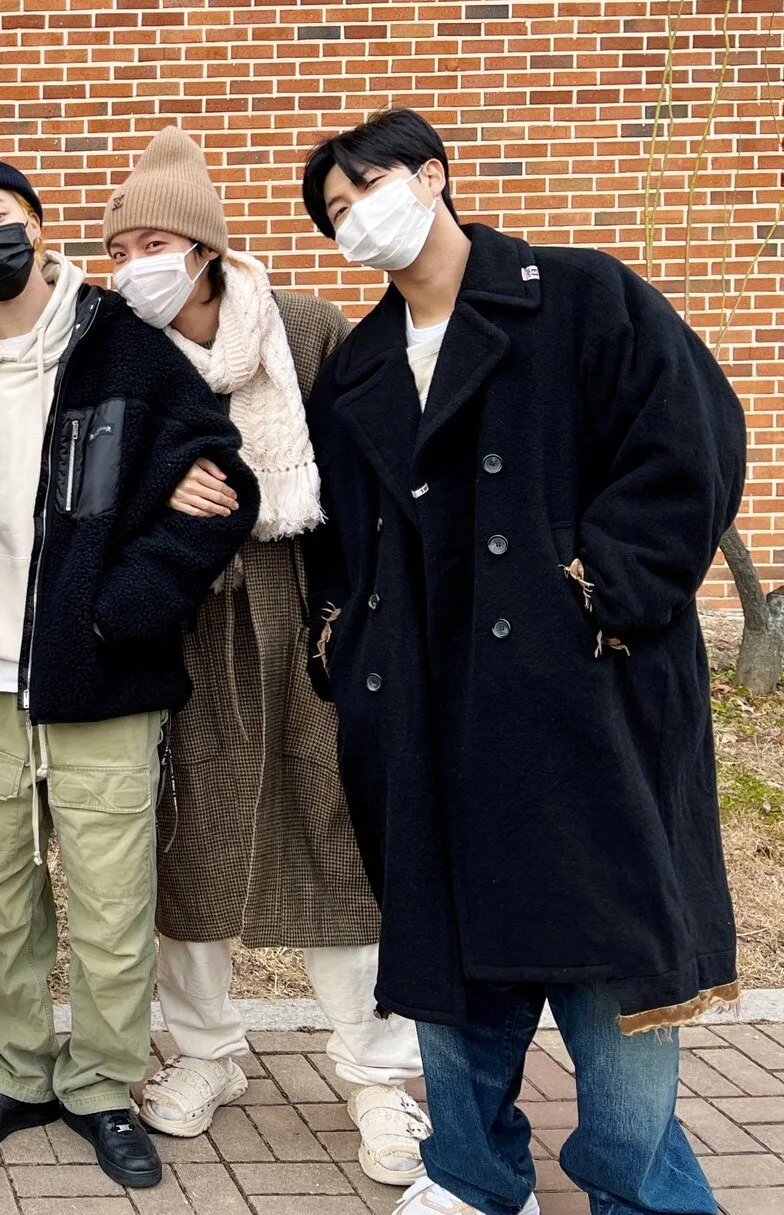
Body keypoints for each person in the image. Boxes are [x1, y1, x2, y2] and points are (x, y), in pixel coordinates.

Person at [298, 108, 744, 1215]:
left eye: (366, 189)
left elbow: (688, 445)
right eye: (335, 212)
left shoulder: (579, 295)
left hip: (584, 687)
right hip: (423, 701)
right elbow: (337, 543)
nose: (355, 219)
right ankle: (470, 1172)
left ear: (432, 176)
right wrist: (343, 645)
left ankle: (638, 1187)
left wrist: (601, 591)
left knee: (609, 952)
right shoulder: (357, 369)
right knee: (447, 943)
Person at [0, 156, 258, 1190]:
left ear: (34, 222)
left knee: (112, 906)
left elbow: (222, 486)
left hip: (103, 676)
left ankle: (103, 1085)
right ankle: (13, 1074)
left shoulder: (120, 343)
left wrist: (119, 612)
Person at [99, 126, 431, 1188]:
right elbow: (92, 486)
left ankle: (376, 1071)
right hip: (186, 616)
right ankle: (205, 1052)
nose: (134, 265)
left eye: (154, 242)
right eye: (119, 249)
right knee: (186, 836)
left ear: (202, 247)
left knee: (335, 827)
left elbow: (370, 477)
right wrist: (160, 496)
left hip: (308, 608)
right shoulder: (118, 349)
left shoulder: (305, 328)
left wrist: (357, 615)